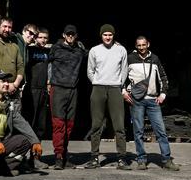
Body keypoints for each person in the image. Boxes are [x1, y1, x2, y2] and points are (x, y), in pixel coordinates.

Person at [124, 36, 180, 171]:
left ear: (148, 44)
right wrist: (124, 92)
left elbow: (163, 77)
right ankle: (141, 160)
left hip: (153, 100)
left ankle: (166, 160)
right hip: (136, 100)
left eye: (143, 45)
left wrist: (163, 94)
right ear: (136, 46)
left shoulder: (154, 58)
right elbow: (121, 77)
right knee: (138, 132)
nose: (141, 48)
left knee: (161, 131)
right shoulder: (130, 58)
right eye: (139, 45)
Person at [85, 24, 129, 169]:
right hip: (98, 88)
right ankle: (94, 158)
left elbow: (124, 70)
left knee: (119, 125)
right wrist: (97, 82)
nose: (108, 37)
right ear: (101, 36)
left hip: (115, 89)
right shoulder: (94, 50)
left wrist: (118, 83)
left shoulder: (121, 50)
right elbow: (90, 71)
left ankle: (122, 158)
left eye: (110, 34)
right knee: (96, 125)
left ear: (113, 35)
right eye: (105, 34)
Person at [46, 24, 86, 169]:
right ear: (63, 35)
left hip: (72, 90)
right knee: (58, 124)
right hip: (58, 88)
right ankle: (58, 157)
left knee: (69, 125)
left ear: (76, 36)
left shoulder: (79, 50)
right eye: (68, 34)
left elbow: (94, 55)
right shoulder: (56, 48)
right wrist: (49, 82)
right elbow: (48, 63)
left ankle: (64, 155)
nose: (70, 36)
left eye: (72, 34)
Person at [24, 28, 51, 141]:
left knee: (41, 120)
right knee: (31, 117)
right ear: (35, 38)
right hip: (31, 88)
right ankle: (27, 144)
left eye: (45, 38)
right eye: (40, 37)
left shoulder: (49, 51)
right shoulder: (29, 49)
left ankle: (37, 145)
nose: (43, 40)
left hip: (43, 89)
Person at [0, 17, 24, 97]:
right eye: (4, 26)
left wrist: (15, 85)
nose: (7, 30)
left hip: (13, 90)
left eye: (9, 27)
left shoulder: (15, 46)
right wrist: (4, 84)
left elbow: (20, 67)